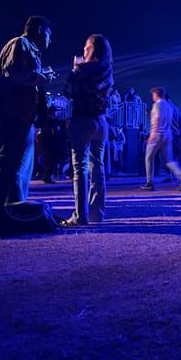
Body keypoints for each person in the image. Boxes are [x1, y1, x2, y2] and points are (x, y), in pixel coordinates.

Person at [0, 16, 54, 232]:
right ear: (41, 30)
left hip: (21, 116)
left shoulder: (29, 48)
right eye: (49, 35)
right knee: (5, 161)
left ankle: (12, 209)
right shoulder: (20, 44)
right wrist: (41, 77)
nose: (50, 41)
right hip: (9, 113)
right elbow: (14, 72)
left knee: (20, 166)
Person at [62, 34, 114, 226]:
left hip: (82, 119)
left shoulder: (81, 70)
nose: (83, 49)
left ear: (91, 49)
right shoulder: (108, 69)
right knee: (98, 167)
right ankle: (96, 213)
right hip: (101, 121)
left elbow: (68, 91)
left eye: (86, 46)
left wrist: (75, 68)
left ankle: (80, 215)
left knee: (80, 168)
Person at [141, 86, 181, 191]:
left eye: (153, 95)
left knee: (148, 157)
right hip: (168, 134)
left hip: (157, 134)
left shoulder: (157, 105)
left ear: (156, 94)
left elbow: (157, 119)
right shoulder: (169, 106)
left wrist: (152, 135)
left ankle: (149, 182)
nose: (152, 97)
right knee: (169, 159)